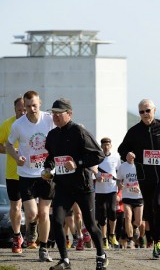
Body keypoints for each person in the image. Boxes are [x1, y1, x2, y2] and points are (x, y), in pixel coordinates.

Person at [42, 98, 108, 270]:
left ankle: (101, 255)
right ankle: (65, 260)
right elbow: (50, 157)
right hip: (63, 186)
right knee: (56, 220)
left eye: (59, 113)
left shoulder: (79, 131)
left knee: (91, 224)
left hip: (83, 187)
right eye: (53, 113)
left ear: (69, 114)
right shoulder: (52, 135)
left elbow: (98, 155)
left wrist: (77, 163)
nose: (55, 116)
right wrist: (47, 169)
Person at [118, 99, 160, 258]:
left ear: (154, 110)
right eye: (141, 112)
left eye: (148, 110)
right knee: (150, 209)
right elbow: (122, 148)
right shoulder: (134, 131)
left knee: (158, 202)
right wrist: (127, 154)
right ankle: (156, 241)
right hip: (144, 175)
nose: (145, 114)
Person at [6, 90, 55, 261]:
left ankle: (43, 247)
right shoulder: (18, 125)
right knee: (32, 214)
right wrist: (15, 156)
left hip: (47, 172)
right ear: (24, 107)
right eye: (28, 106)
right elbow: (9, 144)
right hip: (26, 173)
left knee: (44, 213)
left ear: (39, 103)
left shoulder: (49, 119)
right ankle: (31, 227)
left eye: (34, 105)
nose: (32, 109)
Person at [0, 97, 26, 253]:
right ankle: (17, 237)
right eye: (19, 110)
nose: (23, 113)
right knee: (15, 207)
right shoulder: (7, 125)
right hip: (13, 173)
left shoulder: (34, 124)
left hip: (32, 173)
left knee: (33, 210)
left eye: (25, 110)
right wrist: (10, 151)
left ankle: (32, 230)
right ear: (14, 109)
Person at [94, 137, 121, 249]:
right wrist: (97, 176)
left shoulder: (116, 158)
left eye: (108, 145)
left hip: (112, 189)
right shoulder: (97, 157)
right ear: (101, 146)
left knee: (113, 211)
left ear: (111, 146)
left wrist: (120, 185)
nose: (106, 147)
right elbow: (92, 169)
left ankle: (112, 235)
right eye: (104, 145)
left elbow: (119, 173)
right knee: (102, 215)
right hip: (100, 190)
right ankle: (104, 239)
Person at [117, 160, 144, 249]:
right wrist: (119, 185)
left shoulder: (140, 165)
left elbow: (146, 180)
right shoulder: (122, 166)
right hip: (127, 195)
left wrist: (139, 187)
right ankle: (130, 240)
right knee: (128, 217)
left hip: (138, 196)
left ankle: (135, 228)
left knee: (138, 221)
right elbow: (118, 180)